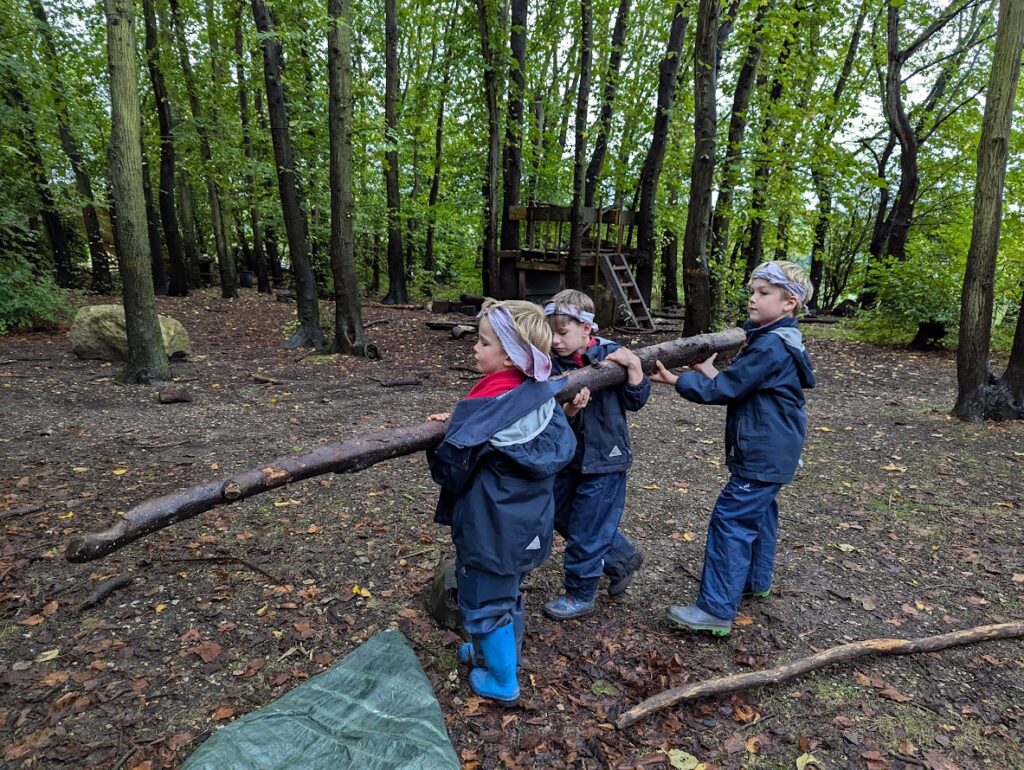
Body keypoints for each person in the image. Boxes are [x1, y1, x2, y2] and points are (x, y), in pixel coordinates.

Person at [650, 261, 815, 636]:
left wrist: (676, 380)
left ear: (789, 302)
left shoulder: (771, 345)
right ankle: (756, 580)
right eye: (753, 291)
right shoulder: (776, 338)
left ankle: (715, 609)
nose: (753, 299)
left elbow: (725, 391)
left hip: (762, 452)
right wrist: (708, 370)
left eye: (763, 293)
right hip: (775, 450)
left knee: (732, 521)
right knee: (760, 514)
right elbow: (744, 386)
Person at [426, 299, 576, 705]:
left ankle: (501, 679)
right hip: (524, 527)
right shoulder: (536, 392)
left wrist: (450, 433)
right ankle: (490, 653)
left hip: (491, 528)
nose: (475, 348)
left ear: (511, 354)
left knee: (485, 602)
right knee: (505, 595)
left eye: (484, 342)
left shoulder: (489, 406)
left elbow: (451, 468)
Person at [541, 290, 651, 620]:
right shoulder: (550, 364)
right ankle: (621, 557)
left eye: (562, 333)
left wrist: (634, 368)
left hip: (607, 459)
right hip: (569, 458)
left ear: (586, 330)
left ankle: (581, 593)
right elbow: (547, 416)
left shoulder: (611, 355)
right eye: (551, 333)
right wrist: (569, 411)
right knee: (558, 512)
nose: (556, 340)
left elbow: (636, 400)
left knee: (589, 528)